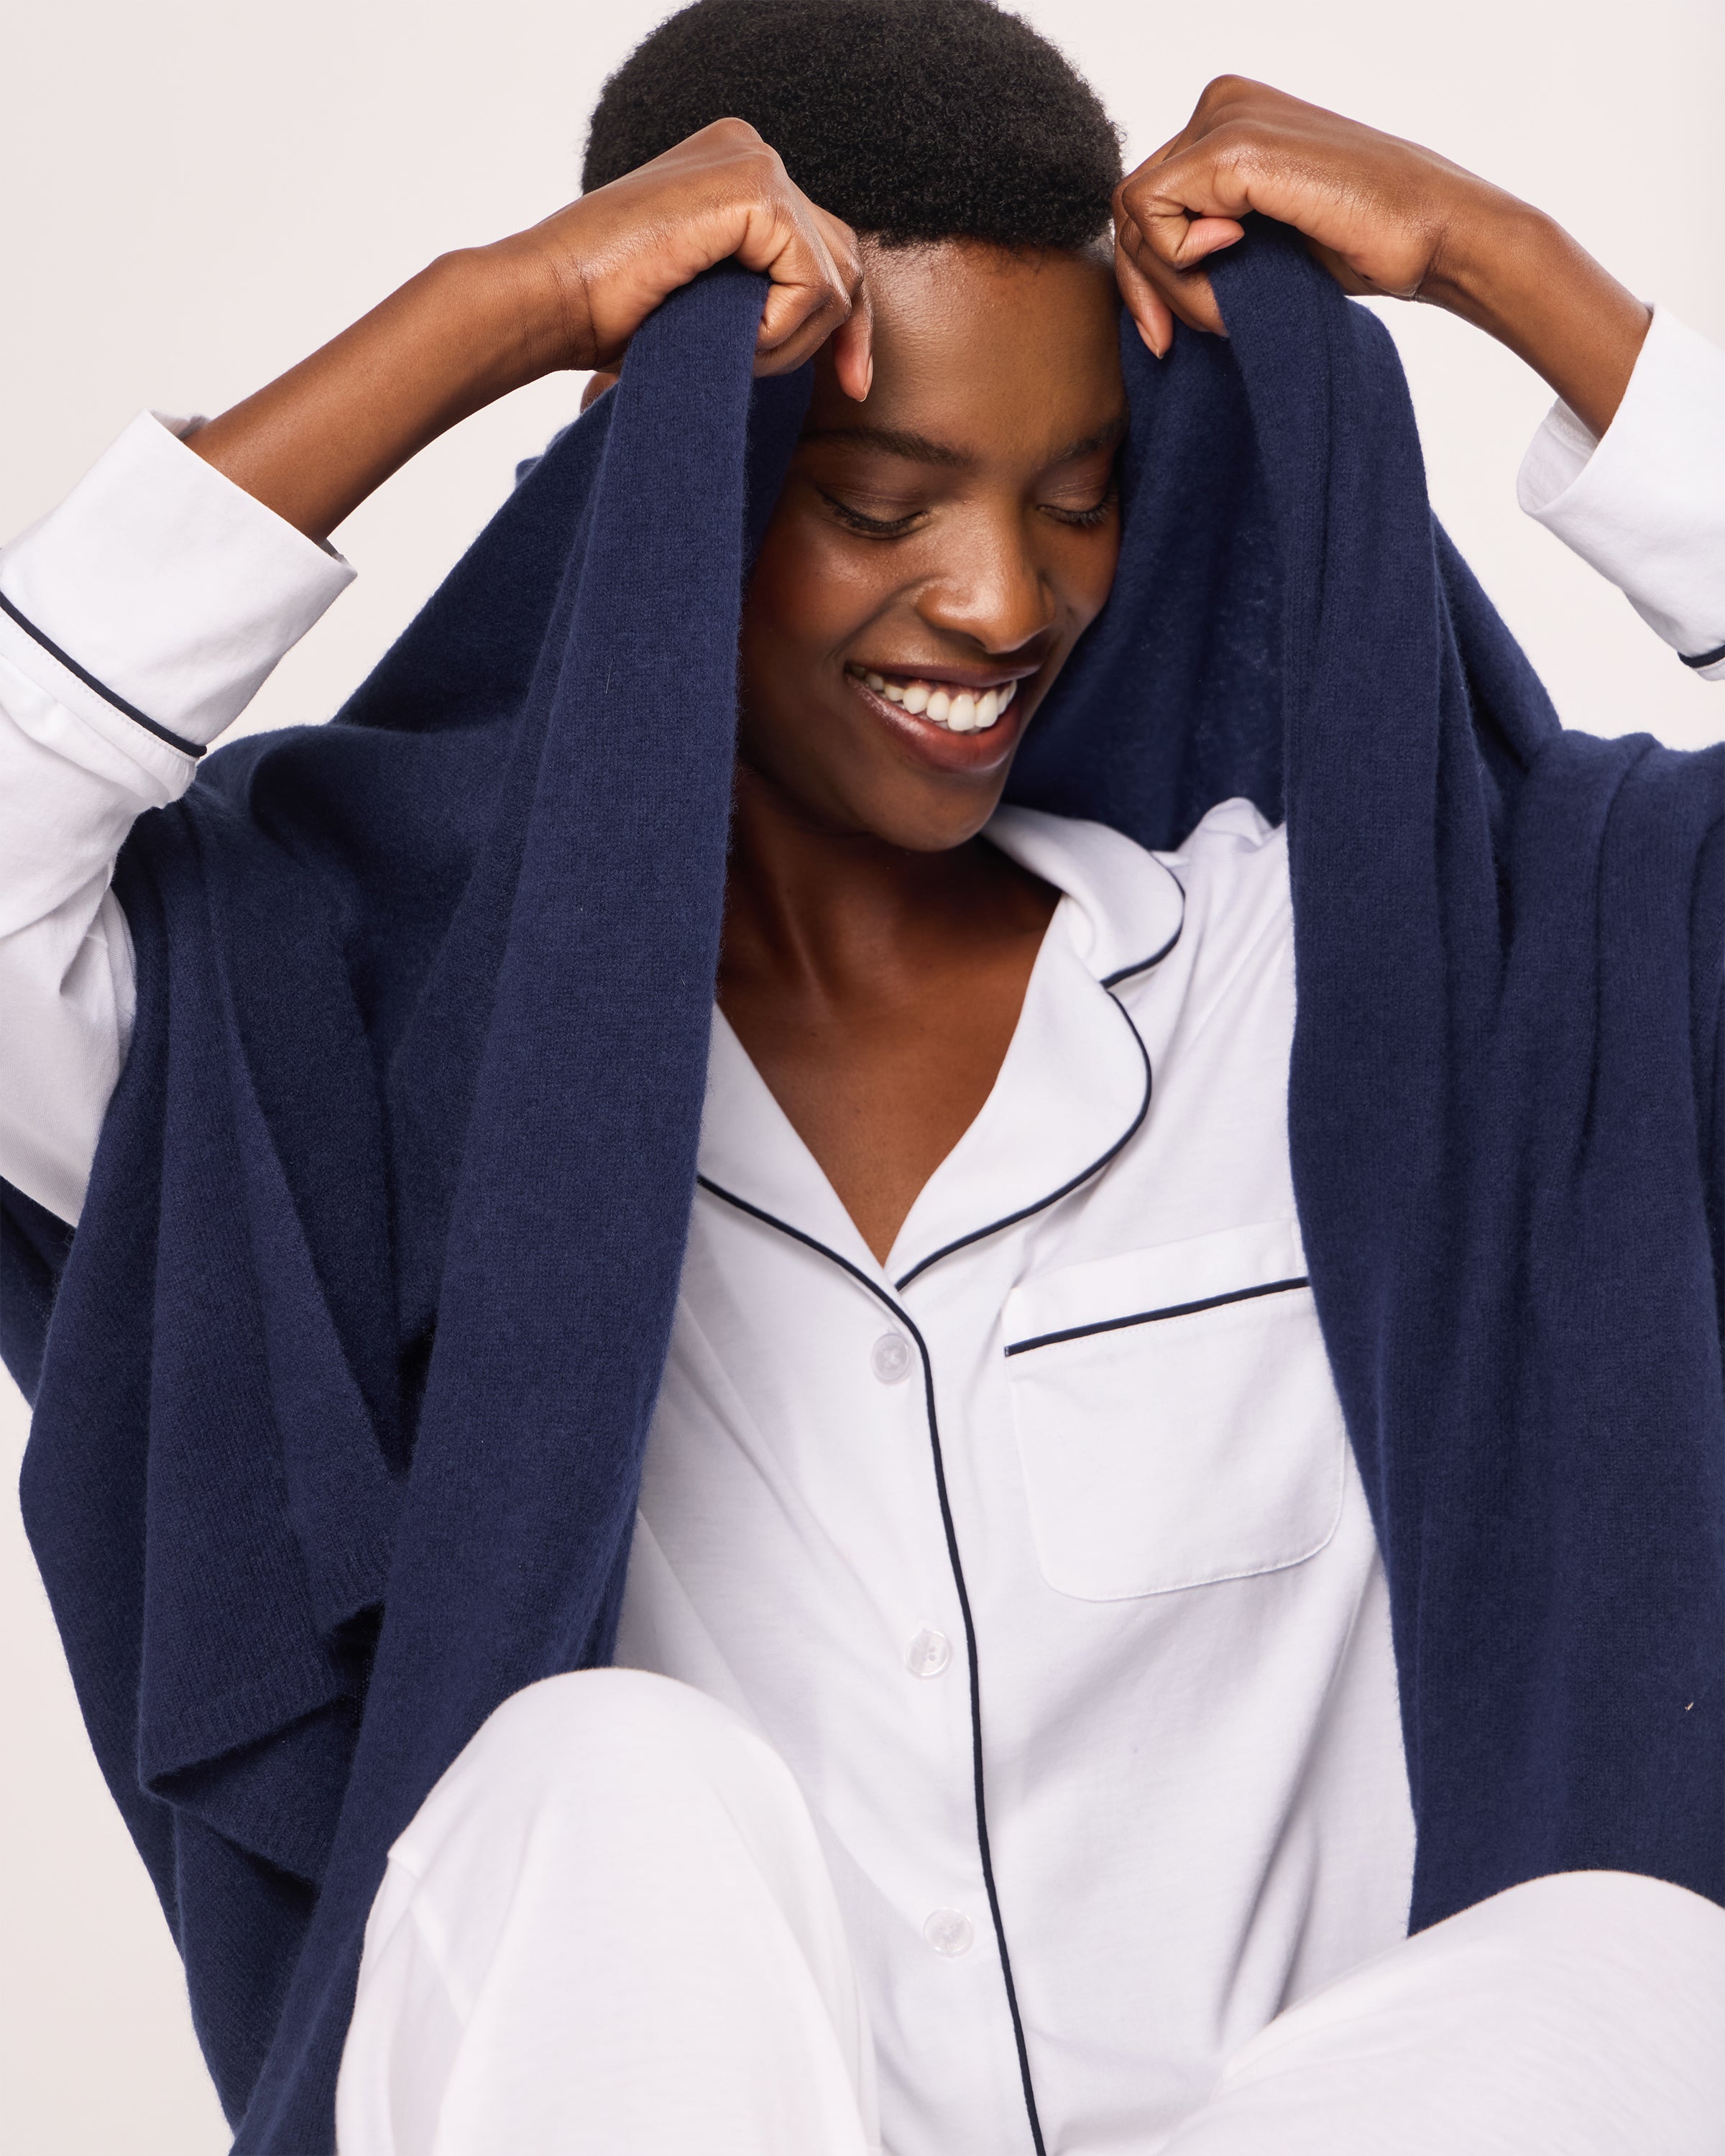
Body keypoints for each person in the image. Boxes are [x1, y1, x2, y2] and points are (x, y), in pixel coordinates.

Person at [3, 3, 1724, 2151]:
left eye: (1080, 498)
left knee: (1641, 1966)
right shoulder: (374, 1040)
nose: (1004, 598)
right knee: (595, 1780)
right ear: (677, 472)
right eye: (877, 502)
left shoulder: (1343, 977)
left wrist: (1508, 266)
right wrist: (492, 316)